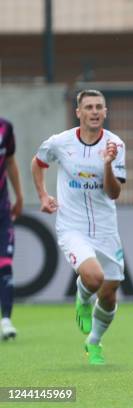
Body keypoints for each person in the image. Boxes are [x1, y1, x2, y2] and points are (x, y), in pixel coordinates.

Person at [31, 90, 127, 365]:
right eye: (89, 107)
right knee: (93, 278)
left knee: (109, 294)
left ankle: (93, 342)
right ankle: (83, 298)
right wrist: (42, 195)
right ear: (79, 113)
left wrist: (107, 165)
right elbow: (38, 164)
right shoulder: (60, 143)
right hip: (71, 225)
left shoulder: (115, 144)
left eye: (99, 107)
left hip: (106, 228)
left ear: (105, 112)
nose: (95, 112)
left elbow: (113, 193)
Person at [0, 118, 23, 340]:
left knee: (5, 263)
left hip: (2, 209)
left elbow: (10, 161)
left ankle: (6, 319)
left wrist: (20, 195)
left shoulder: (6, 127)